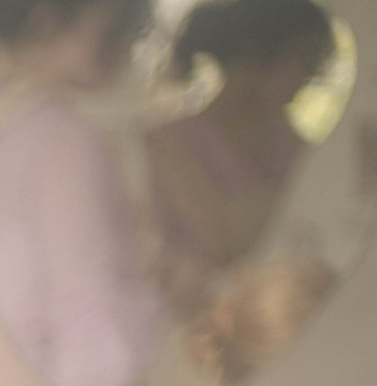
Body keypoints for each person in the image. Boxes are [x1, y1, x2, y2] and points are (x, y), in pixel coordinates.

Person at [0, 0, 162, 386]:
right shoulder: (65, 140)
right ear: (48, 14)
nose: (131, 42)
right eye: (121, 22)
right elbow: (92, 346)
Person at [144, 0, 335, 316]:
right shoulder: (171, 143)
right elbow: (223, 244)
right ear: (253, 55)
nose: (310, 75)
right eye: (303, 59)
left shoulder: (294, 143)